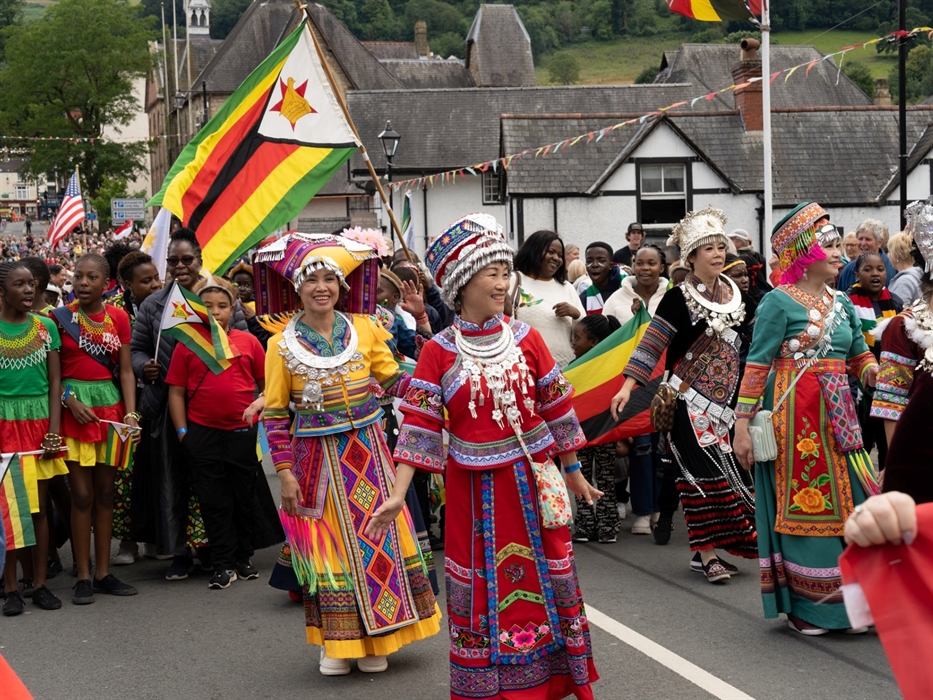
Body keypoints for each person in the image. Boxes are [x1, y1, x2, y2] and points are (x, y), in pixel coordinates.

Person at [379, 213, 600, 699]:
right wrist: (397, 494)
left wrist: (573, 471)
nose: (502, 283)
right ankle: (489, 688)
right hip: (472, 493)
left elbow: (555, 408)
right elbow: (419, 427)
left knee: (547, 578)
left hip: (531, 481)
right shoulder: (439, 351)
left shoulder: (526, 338)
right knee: (481, 588)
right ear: (462, 283)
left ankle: (550, 680)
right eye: (491, 273)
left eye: (505, 273)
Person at [258, 232, 441, 676]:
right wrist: (285, 474)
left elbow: (394, 380)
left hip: (368, 455)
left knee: (379, 544)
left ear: (341, 287)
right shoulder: (279, 344)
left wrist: (438, 384)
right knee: (330, 554)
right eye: (311, 280)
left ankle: (381, 639)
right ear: (297, 288)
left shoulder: (365, 328)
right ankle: (337, 645)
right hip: (314, 461)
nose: (321, 288)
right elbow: (276, 413)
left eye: (329, 280)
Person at [732, 202, 881, 636]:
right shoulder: (777, 303)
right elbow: (756, 366)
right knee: (807, 507)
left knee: (856, 502)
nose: (838, 253)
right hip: (795, 420)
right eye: (828, 246)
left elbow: (859, 356)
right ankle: (812, 607)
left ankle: (854, 603)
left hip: (841, 418)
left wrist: (881, 372)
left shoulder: (843, 302)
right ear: (802, 252)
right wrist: (742, 427)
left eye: (837, 245)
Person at [612, 207, 757, 583]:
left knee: (729, 478)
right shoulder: (677, 298)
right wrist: (627, 386)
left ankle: (704, 550)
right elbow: (652, 344)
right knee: (699, 477)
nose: (717, 254)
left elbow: (759, 339)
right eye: (708, 248)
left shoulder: (737, 295)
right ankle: (707, 555)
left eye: (720, 247)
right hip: (688, 403)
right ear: (691, 256)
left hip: (728, 407)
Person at [51, 253, 140, 604]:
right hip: (74, 411)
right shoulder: (58, 318)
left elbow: (126, 371)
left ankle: (103, 573)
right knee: (82, 495)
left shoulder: (118, 317)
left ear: (107, 283)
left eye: (91, 277)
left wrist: (131, 415)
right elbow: (51, 376)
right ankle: (83, 575)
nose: (83, 282)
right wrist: (69, 400)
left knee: (105, 494)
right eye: (78, 276)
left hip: (110, 411)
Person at [167, 279, 266, 589]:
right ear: (197, 310)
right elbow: (176, 393)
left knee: (244, 498)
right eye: (208, 306)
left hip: (242, 433)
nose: (216, 312)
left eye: (222, 306)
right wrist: (183, 433)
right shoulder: (188, 344)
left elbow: (267, 386)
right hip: (202, 435)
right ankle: (222, 564)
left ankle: (243, 558)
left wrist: (261, 414)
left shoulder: (248, 342)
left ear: (233, 309)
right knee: (213, 501)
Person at [0, 261, 68, 616]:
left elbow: (55, 382)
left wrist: (54, 430)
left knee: (39, 507)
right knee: (8, 509)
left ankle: (40, 584)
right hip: (4, 425)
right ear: (2, 291)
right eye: (19, 284)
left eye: (32, 284)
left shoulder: (46, 327)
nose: (29, 290)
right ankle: (11, 587)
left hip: (40, 424)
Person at [604, 245, 669, 535]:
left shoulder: (673, 297)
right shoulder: (616, 299)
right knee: (641, 449)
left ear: (661, 267)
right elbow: (608, 340)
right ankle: (642, 512)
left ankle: (660, 509)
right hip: (632, 386)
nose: (645, 268)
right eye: (640, 263)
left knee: (662, 452)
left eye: (651, 263)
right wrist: (633, 321)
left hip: (667, 385)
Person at [111, 250, 163, 566]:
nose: (155, 285)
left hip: (162, 401)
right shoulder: (114, 312)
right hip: (124, 402)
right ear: (127, 284)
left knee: (158, 471)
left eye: (156, 278)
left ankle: (156, 539)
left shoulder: (170, 307)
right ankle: (127, 542)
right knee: (126, 473)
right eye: (146, 281)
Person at [570, 313, 623, 543]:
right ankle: (585, 524)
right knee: (579, 477)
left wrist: (623, 434)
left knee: (605, 478)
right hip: (579, 435)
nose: (573, 342)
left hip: (604, 433)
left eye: (577, 338)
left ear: (593, 342)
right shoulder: (573, 368)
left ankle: (607, 524)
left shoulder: (611, 370)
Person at [507, 230, 584, 367]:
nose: (556, 258)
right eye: (551, 252)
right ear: (534, 250)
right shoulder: (513, 280)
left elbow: (586, 332)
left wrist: (576, 314)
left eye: (560, 255)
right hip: (527, 368)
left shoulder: (567, 287)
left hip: (564, 369)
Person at [836, 219, 896, 291]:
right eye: (860, 239)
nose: (863, 243)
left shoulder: (893, 268)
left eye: (868, 239)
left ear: (879, 242)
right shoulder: (848, 270)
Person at [580, 241, 623, 316]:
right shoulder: (584, 298)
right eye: (589, 261)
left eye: (601, 261)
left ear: (610, 266)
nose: (594, 265)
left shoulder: (627, 289)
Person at [886, 231, 924, 307]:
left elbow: (898, 310)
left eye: (889, 251)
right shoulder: (918, 274)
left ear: (897, 255)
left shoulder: (904, 282)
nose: (887, 255)